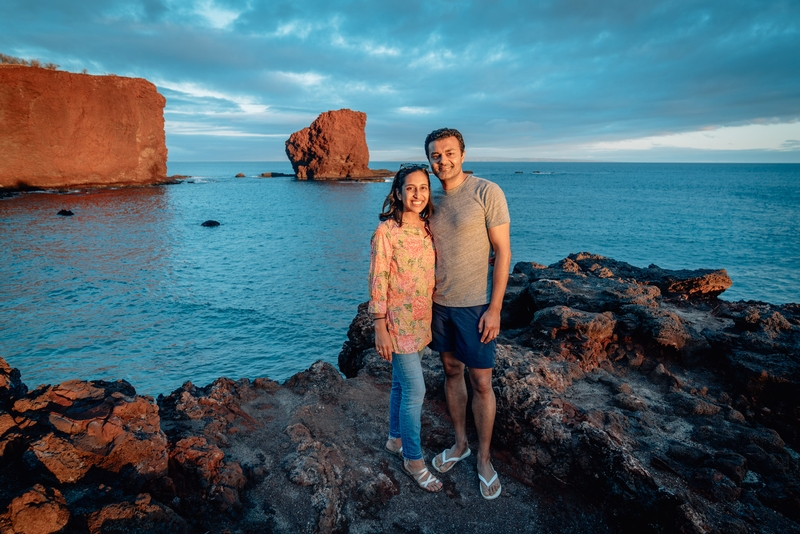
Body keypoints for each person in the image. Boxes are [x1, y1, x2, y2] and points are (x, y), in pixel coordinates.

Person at [424, 128, 511, 500]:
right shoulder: (432, 200)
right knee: (450, 371)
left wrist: (495, 308)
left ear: (462, 153)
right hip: (439, 305)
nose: (442, 160)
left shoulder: (486, 192)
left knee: (481, 383)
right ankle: (460, 444)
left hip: (475, 306)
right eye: (435, 156)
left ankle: (485, 458)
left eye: (448, 153)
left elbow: (503, 253)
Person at [368, 163, 443, 493]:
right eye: (410, 188)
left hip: (422, 322)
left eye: (423, 188)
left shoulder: (428, 228)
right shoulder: (387, 231)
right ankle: (414, 460)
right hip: (397, 325)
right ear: (398, 193)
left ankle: (395, 440)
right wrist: (379, 326)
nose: (417, 194)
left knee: (400, 385)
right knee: (416, 390)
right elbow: (377, 278)